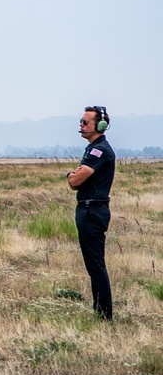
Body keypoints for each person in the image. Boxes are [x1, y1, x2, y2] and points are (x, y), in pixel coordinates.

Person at [66, 106, 115, 320]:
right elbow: (76, 182)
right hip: (88, 209)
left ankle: (103, 314)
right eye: (81, 121)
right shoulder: (92, 148)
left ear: (100, 126)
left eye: (85, 122)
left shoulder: (99, 150)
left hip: (92, 211)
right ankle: (100, 310)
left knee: (96, 265)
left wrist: (72, 174)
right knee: (93, 265)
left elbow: (75, 180)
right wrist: (75, 176)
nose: (81, 125)